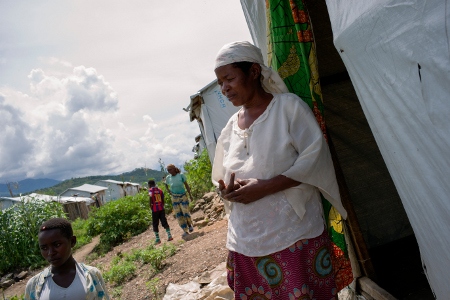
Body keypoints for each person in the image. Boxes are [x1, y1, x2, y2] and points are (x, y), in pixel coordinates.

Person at [212, 41, 348, 299]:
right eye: (220, 83)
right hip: (246, 240)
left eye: (229, 78)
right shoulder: (231, 127)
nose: (224, 88)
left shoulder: (288, 107)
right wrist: (228, 191)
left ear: (253, 71)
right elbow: (220, 175)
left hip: (294, 235)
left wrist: (266, 187)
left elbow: (314, 157)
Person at [25, 218, 109, 300]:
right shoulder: (34, 285)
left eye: (57, 245)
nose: (50, 253)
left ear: (72, 241)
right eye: (44, 248)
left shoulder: (92, 275)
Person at [163, 164, 194, 237]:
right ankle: (185, 230)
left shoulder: (181, 175)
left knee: (185, 211)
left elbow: (186, 185)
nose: (169, 171)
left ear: (174, 169)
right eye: (168, 170)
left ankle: (190, 225)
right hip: (174, 197)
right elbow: (166, 184)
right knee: (179, 214)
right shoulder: (168, 178)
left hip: (183, 196)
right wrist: (169, 192)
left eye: (170, 169)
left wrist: (190, 195)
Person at [148, 179, 173, 244]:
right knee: (164, 221)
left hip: (155, 210)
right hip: (161, 208)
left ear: (149, 185)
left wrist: (151, 206)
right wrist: (162, 205)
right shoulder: (160, 190)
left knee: (155, 223)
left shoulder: (150, 190)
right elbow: (162, 199)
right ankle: (169, 236)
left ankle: (157, 239)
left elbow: (150, 199)